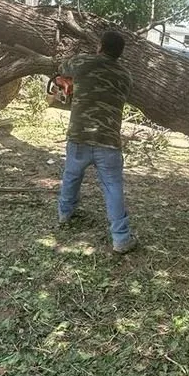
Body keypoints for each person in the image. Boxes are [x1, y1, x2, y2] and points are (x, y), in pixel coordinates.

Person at [57, 30, 137, 254]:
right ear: (120, 53)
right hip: (108, 140)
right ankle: (121, 239)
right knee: (113, 187)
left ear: (100, 46)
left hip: (80, 136)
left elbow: (62, 67)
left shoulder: (83, 61)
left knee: (72, 176)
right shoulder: (125, 76)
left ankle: (65, 214)